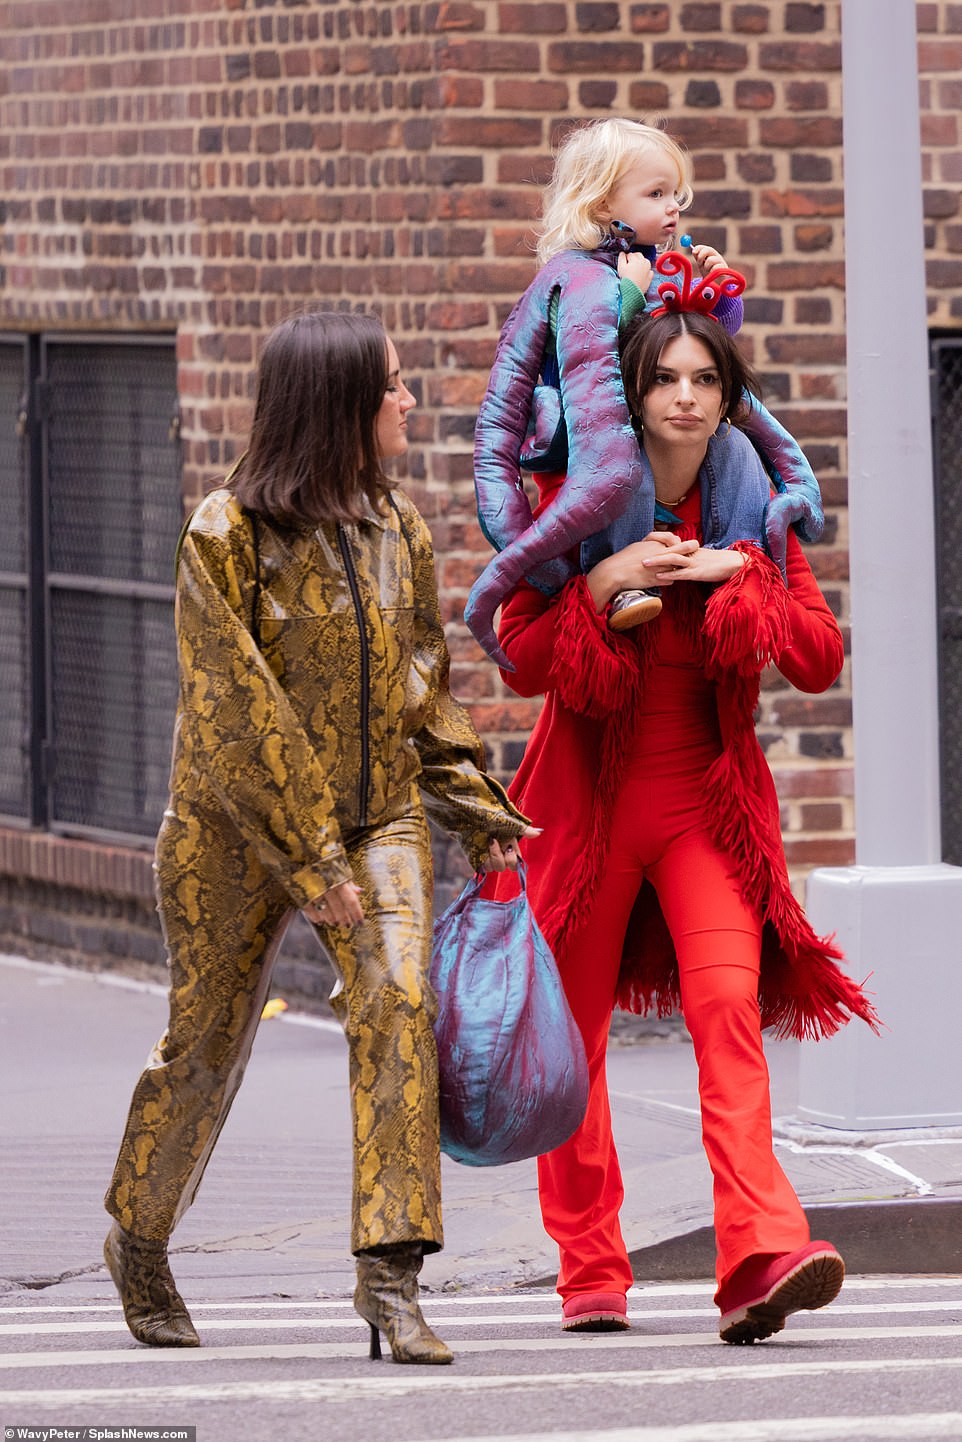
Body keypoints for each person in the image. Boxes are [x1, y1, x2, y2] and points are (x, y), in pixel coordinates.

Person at [103, 309, 534, 1366]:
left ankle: (389, 1277)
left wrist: (481, 816)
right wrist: (310, 859)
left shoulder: (399, 527)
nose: (406, 401)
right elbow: (232, 716)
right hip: (234, 830)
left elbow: (420, 695)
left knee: (396, 998)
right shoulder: (224, 533)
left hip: (378, 811)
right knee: (203, 1044)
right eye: (391, 385)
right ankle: (140, 1235)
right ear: (337, 404)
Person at [490, 302, 878, 1345]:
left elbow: (815, 655)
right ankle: (589, 1266)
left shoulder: (751, 501)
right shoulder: (571, 498)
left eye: (704, 378)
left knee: (723, 1010)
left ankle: (759, 1249)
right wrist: (603, 581)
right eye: (665, 377)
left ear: (725, 394)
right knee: (569, 1047)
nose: (686, 395)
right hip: (584, 811)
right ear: (631, 391)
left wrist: (739, 571)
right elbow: (515, 650)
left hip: (704, 808)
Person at [466, 117, 822, 668]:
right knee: (623, 477)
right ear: (603, 203)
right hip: (586, 446)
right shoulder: (582, 277)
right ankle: (626, 584)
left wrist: (718, 289)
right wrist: (628, 295)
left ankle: (736, 561)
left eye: (675, 193)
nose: (672, 206)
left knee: (728, 457)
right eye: (655, 194)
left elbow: (702, 340)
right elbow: (603, 347)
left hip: (635, 447)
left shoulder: (654, 266)